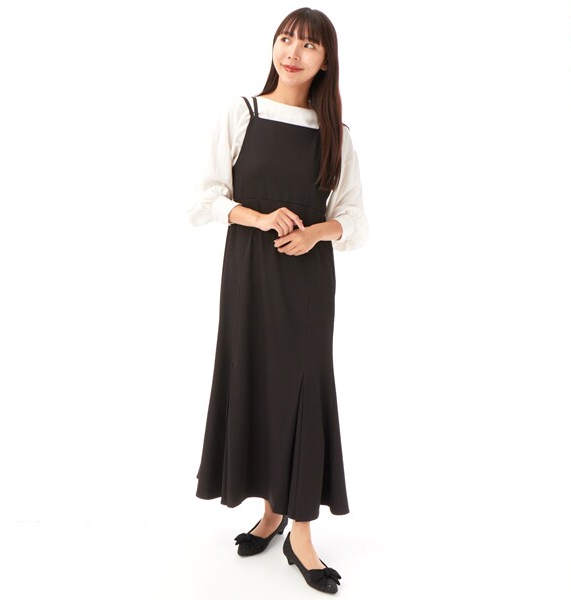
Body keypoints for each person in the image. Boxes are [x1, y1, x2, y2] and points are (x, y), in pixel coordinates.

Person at [186, 7, 368, 594]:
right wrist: (260, 218)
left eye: (309, 45)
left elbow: (354, 221)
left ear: (326, 60)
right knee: (259, 383)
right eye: (286, 39)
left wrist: (317, 233)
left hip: (308, 282)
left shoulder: (336, 134)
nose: (293, 52)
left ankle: (301, 535)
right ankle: (270, 514)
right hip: (248, 274)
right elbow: (204, 199)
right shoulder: (242, 113)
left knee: (304, 392)